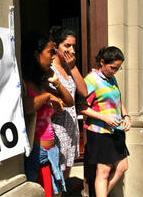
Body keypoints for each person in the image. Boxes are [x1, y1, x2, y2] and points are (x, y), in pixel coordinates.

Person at [21, 32, 74, 197]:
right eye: (51, 52)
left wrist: (57, 83)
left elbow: (69, 101)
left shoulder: (41, 83)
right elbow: (26, 107)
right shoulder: (23, 82)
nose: (53, 56)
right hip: (37, 152)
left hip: (51, 150)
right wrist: (47, 97)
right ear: (37, 54)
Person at [78, 46, 131, 197]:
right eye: (113, 67)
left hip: (116, 131)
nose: (115, 71)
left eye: (118, 68)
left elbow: (118, 101)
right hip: (100, 132)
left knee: (122, 166)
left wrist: (126, 117)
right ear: (102, 62)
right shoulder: (91, 80)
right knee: (104, 172)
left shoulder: (111, 78)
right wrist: (105, 118)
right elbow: (81, 108)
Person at [49, 26, 87, 179]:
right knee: (56, 175)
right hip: (57, 126)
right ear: (55, 46)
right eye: (67, 45)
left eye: (73, 46)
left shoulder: (68, 66)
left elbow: (84, 92)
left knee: (66, 172)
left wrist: (73, 67)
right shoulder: (50, 67)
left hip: (71, 126)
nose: (72, 50)